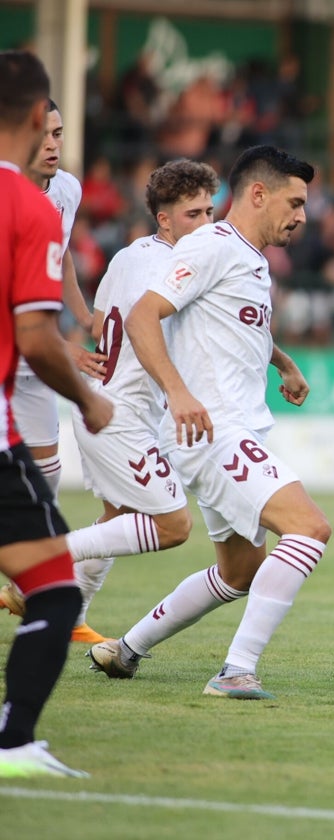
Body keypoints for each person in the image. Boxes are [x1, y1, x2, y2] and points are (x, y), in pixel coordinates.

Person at [87, 145, 331, 701]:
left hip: (231, 428)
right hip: (215, 431)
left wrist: (284, 363)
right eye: (295, 202)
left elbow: (239, 327)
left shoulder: (251, 257)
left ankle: (126, 649)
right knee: (310, 529)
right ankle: (235, 670)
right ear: (258, 193)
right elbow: (145, 315)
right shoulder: (212, 246)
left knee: (239, 571)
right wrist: (178, 393)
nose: (302, 215)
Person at [0, 49, 114, 777]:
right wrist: (89, 396)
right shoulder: (28, 206)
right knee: (54, 589)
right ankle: (14, 747)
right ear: (41, 115)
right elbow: (35, 338)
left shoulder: (54, 196)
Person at [55, 160, 220, 636]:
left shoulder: (128, 255)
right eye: (193, 214)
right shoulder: (175, 268)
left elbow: (97, 319)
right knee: (172, 526)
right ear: (164, 219)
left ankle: (72, 615)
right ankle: (40, 558)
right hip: (119, 414)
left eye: (210, 211)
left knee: (119, 517)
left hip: (101, 404)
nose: (206, 223)